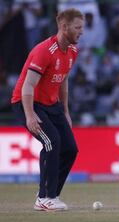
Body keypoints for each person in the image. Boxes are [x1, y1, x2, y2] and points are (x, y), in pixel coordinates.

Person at [11, 8, 84, 211]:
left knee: (70, 149)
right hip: (28, 102)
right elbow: (27, 86)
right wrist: (29, 115)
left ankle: (49, 194)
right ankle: (45, 197)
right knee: (52, 141)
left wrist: (66, 112)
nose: (81, 32)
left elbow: (63, 80)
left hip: (52, 105)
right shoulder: (44, 51)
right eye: (77, 27)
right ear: (64, 27)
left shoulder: (73, 51)